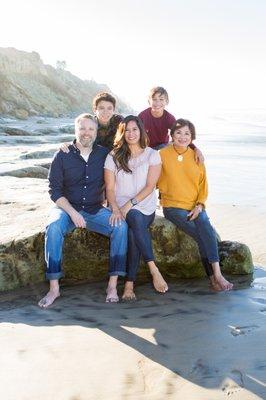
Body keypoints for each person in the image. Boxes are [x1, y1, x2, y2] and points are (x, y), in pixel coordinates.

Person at [38, 113, 128, 308]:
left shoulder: (104, 154)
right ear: (75, 130)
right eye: (82, 128)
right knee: (53, 227)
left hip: (95, 209)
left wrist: (192, 147)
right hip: (67, 209)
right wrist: (72, 213)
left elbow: (133, 152)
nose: (86, 133)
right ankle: (54, 288)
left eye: (91, 129)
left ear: (96, 132)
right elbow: (54, 190)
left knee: (120, 226)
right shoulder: (62, 154)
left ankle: (112, 286)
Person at [157, 118, 233, 291]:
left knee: (204, 228)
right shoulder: (161, 155)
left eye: (187, 133)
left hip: (195, 205)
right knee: (205, 236)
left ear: (192, 137)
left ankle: (215, 277)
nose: (182, 137)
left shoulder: (197, 156)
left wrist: (199, 205)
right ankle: (216, 277)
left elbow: (203, 185)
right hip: (172, 207)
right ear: (172, 135)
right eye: (178, 133)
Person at [104, 115, 168, 300]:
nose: (131, 134)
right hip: (118, 207)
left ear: (141, 131)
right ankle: (135, 281)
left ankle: (149, 272)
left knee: (135, 218)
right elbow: (109, 188)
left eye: (135, 129)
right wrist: (116, 208)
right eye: (127, 130)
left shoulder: (152, 154)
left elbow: (150, 187)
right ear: (122, 133)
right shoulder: (113, 156)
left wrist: (128, 205)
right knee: (132, 232)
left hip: (144, 207)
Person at [138, 86, 204, 162]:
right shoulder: (142, 116)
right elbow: (135, 134)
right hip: (146, 147)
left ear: (166, 101)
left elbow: (180, 134)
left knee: (167, 148)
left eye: (161, 99)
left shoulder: (169, 118)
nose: (157, 102)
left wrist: (195, 149)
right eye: (154, 99)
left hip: (162, 146)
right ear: (149, 101)